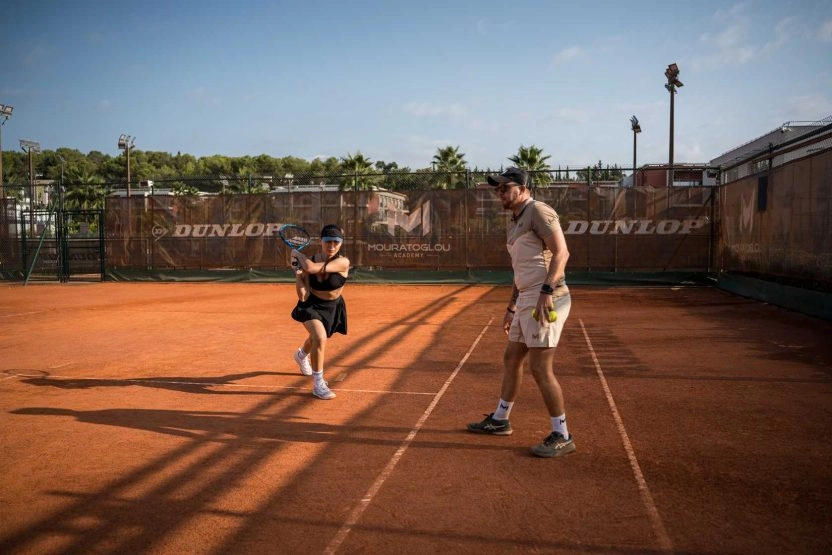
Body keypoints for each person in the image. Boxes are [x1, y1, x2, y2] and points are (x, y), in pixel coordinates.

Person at [467, 167, 575, 458]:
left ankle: (562, 434)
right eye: (497, 189)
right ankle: (500, 420)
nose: (499, 193)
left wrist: (546, 292)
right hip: (527, 298)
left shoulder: (538, 210)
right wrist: (511, 307)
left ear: (523, 188)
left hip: (546, 298)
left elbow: (562, 253)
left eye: (504, 188)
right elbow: (520, 270)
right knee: (511, 358)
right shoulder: (514, 222)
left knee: (540, 368)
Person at [290, 224, 350, 400]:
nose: (332, 246)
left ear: (341, 243)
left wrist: (298, 255)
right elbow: (303, 295)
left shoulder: (343, 262)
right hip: (311, 305)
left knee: (315, 338)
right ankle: (318, 384)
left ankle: (301, 356)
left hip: (332, 306)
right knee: (320, 337)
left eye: (336, 242)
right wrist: (298, 273)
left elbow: (312, 268)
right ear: (321, 242)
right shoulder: (309, 261)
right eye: (328, 241)